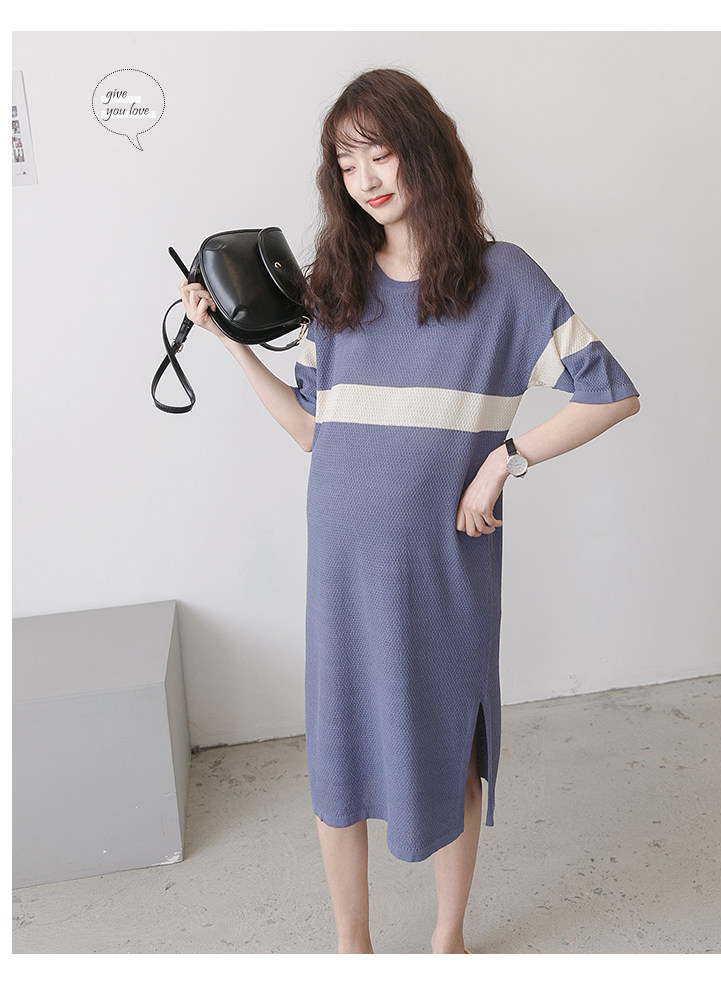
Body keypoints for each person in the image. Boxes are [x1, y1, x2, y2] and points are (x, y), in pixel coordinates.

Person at [179, 67, 641, 955]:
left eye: (378, 152)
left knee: (448, 741)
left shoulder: (504, 279)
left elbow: (611, 393)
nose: (365, 178)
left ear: (423, 148)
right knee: (339, 752)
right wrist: (235, 348)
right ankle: (351, 948)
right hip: (341, 561)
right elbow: (312, 431)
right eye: (345, 163)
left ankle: (447, 940)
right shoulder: (335, 283)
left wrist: (503, 461)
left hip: (441, 561)